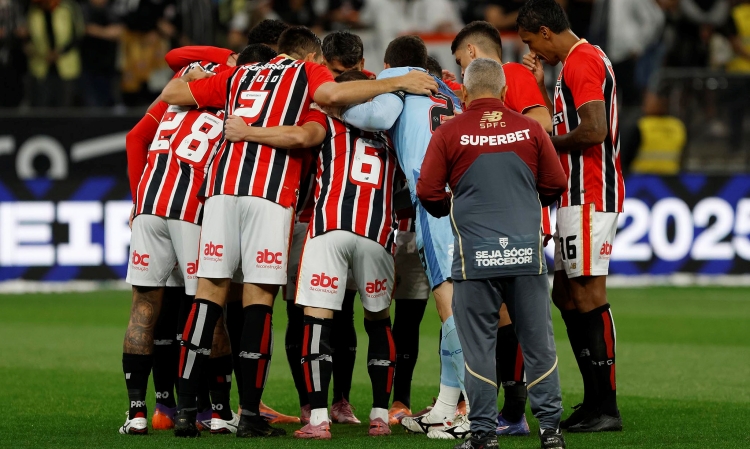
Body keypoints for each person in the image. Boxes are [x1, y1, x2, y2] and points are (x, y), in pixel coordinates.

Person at [160, 25, 438, 438]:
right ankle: (250, 414)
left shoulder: (239, 74)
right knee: (259, 300)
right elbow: (325, 106)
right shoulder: (307, 75)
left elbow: (172, 93)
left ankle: (185, 411)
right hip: (271, 195)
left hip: (219, 191)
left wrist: (206, 75)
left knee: (207, 296)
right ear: (313, 58)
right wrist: (395, 83)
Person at [225, 69, 400, 439]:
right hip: (378, 232)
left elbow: (298, 142)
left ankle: (317, 418)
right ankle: (381, 417)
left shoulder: (326, 123)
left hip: (329, 229)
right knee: (379, 323)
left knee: (316, 323)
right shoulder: (392, 133)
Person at [416, 57, 567, 449]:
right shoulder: (530, 129)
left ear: (464, 93)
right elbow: (556, 183)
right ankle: (550, 431)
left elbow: (428, 191)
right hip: (525, 253)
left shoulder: (449, 132)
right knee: (538, 344)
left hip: (474, 258)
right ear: (504, 91)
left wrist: (454, 205)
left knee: (479, 348)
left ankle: (483, 434)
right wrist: (523, 202)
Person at [340, 35, 470, 440]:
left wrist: (336, 105)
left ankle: (472, 412)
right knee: (462, 299)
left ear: (388, 64)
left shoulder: (398, 79)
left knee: (448, 303)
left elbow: (378, 117)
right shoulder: (445, 89)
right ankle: (447, 407)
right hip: (469, 195)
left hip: (435, 198)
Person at [518, 0, 625, 432]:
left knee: (587, 295)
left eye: (531, 41)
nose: (532, 50)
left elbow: (594, 130)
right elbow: (568, 123)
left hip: (589, 193)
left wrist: (543, 145)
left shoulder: (581, 62)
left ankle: (606, 407)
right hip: (575, 196)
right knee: (565, 295)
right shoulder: (575, 62)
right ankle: (595, 399)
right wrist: (541, 89)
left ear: (545, 31)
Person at [120, 60, 235, 435]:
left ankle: (137, 413)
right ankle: (219, 412)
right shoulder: (232, 106)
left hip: (148, 204)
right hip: (190, 210)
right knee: (209, 307)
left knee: (143, 308)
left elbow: (137, 137)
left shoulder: (172, 106)